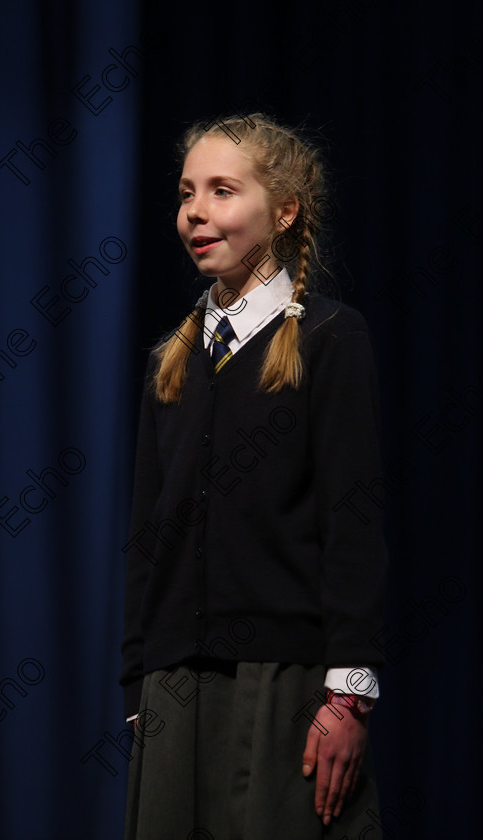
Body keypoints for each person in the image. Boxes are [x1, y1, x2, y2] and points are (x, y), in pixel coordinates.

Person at [120, 112, 388, 840]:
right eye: (186, 193)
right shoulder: (168, 361)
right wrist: (139, 682)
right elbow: (148, 536)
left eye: (222, 190)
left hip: (284, 683)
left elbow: (353, 521)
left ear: (284, 210)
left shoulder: (330, 339)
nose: (196, 212)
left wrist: (348, 693)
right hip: (176, 685)